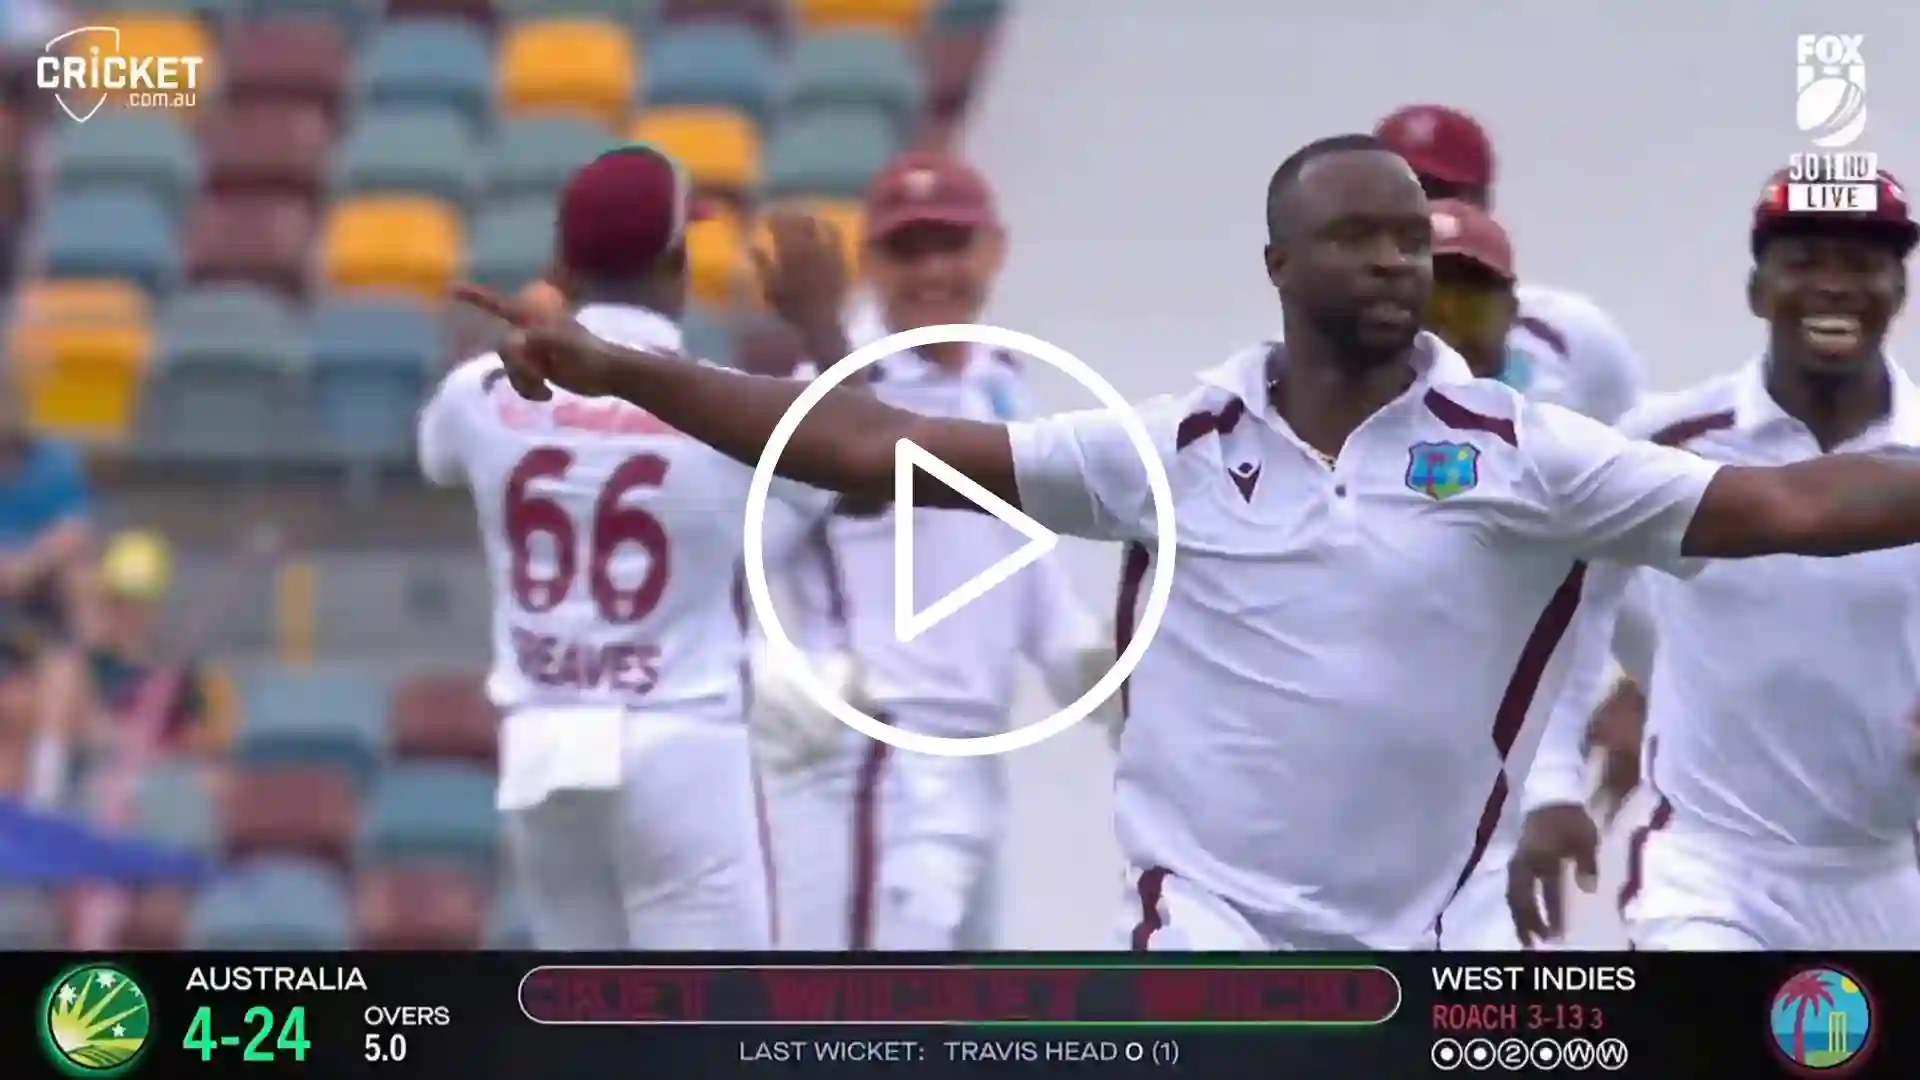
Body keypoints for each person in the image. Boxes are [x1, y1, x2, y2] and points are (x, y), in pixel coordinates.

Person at [455, 133, 1920, 950]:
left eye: (1414, 240)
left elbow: (1787, 509)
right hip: (1211, 919)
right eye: (1363, 237)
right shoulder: (1171, 446)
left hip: (1445, 925)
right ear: (1281, 266)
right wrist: (621, 368)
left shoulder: (1525, 452)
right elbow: (866, 449)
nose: (1400, 262)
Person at [416, 144, 849, 950]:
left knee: (590, 1021)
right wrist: (825, 331)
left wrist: (539, 314)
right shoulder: (729, 410)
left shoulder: (480, 393)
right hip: (682, 737)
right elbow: (861, 472)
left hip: (542, 740)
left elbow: (437, 451)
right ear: (678, 261)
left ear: (562, 261)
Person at [1511, 169, 1920, 950]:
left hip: (1886, 871)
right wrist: (1552, 786)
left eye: (1863, 264)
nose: (1833, 286)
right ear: (1757, 290)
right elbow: (1572, 609)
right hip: (1708, 870)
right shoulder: (1668, 439)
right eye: (1804, 261)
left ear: (1897, 291)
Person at [759, 151, 1112, 951]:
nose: (932, 271)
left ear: (994, 249)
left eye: (950, 246)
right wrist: (776, 671)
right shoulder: (830, 384)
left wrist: (1090, 668)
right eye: (906, 250)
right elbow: (739, 552)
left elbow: (1014, 555)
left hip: (972, 753)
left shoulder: (1000, 381)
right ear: (870, 262)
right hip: (872, 751)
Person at [1378, 107, 1652, 949]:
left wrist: (1647, 686)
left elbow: (1633, 517)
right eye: (1405, 199)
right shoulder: (1323, 358)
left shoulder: (1575, 342)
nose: (1428, 223)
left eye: (1448, 197)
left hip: (1527, 699)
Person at [0, 405, 95, 807]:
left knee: (61, 670)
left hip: (36, 593)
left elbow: (75, 530)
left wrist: (27, 564)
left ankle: (46, 784)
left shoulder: (53, 462)